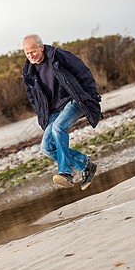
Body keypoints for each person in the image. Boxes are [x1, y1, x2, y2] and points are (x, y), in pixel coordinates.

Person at [22, 34, 102, 190]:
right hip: (53, 112)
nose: (31, 56)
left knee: (58, 128)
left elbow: (83, 72)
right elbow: (33, 98)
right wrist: (42, 118)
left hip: (74, 101)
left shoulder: (58, 56)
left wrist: (91, 96)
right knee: (46, 148)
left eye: (33, 51)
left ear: (41, 47)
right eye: (27, 53)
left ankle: (65, 173)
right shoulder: (28, 72)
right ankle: (85, 165)